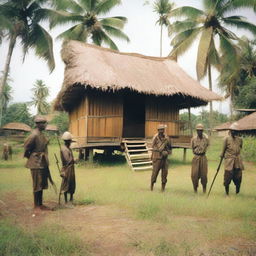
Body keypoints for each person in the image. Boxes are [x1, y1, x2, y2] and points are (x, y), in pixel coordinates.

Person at [24, 116, 51, 210]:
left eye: (45, 123)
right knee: (37, 184)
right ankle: (36, 205)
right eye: (43, 123)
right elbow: (27, 147)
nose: (45, 125)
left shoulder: (41, 134)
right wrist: (32, 157)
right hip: (35, 162)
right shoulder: (34, 135)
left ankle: (40, 204)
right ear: (38, 124)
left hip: (42, 162)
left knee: (42, 183)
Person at [221, 122, 244, 195]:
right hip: (229, 161)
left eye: (236, 130)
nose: (234, 132)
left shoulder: (240, 139)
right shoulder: (226, 139)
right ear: (230, 131)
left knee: (238, 177)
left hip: (237, 161)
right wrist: (222, 156)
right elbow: (223, 151)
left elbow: (240, 148)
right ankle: (226, 193)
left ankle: (237, 191)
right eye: (233, 130)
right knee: (227, 177)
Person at [150, 124, 172, 191]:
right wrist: (159, 150)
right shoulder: (155, 138)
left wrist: (166, 152)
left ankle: (163, 188)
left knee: (165, 174)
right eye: (160, 130)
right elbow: (152, 147)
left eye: (163, 129)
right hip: (157, 158)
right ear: (158, 130)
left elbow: (170, 148)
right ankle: (151, 186)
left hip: (164, 159)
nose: (161, 131)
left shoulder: (167, 138)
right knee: (155, 173)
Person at [191, 124, 209, 193]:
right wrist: (197, 154)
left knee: (204, 175)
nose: (199, 132)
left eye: (201, 130)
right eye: (198, 130)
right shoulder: (193, 139)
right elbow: (192, 148)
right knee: (194, 175)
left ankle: (204, 190)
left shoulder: (206, 139)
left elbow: (207, 146)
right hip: (196, 157)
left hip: (203, 157)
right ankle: (195, 190)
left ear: (203, 131)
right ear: (196, 131)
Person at [60, 131, 76, 204]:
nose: (70, 143)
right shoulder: (64, 149)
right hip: (67, 169)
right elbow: (67, 160)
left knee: (72, 183)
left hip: (71, 169)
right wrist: (74, 160)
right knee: (66, 184)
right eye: (70, 141)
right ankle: (66, 201)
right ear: (67, 141)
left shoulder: (68, 148)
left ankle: (71, 199)